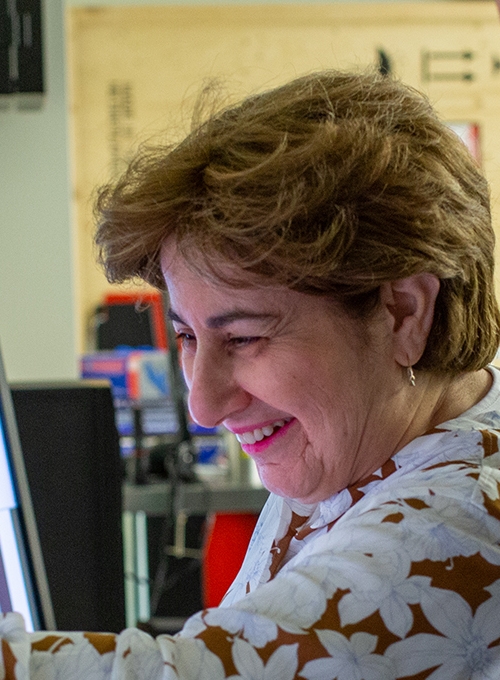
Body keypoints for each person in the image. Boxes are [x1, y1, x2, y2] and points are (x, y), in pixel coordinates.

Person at [3, 68, 500, 679]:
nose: (204, 407)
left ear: (402, 313)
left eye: (244, 337)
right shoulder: (377, 443)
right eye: (187, 335)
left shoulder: (457, 530)